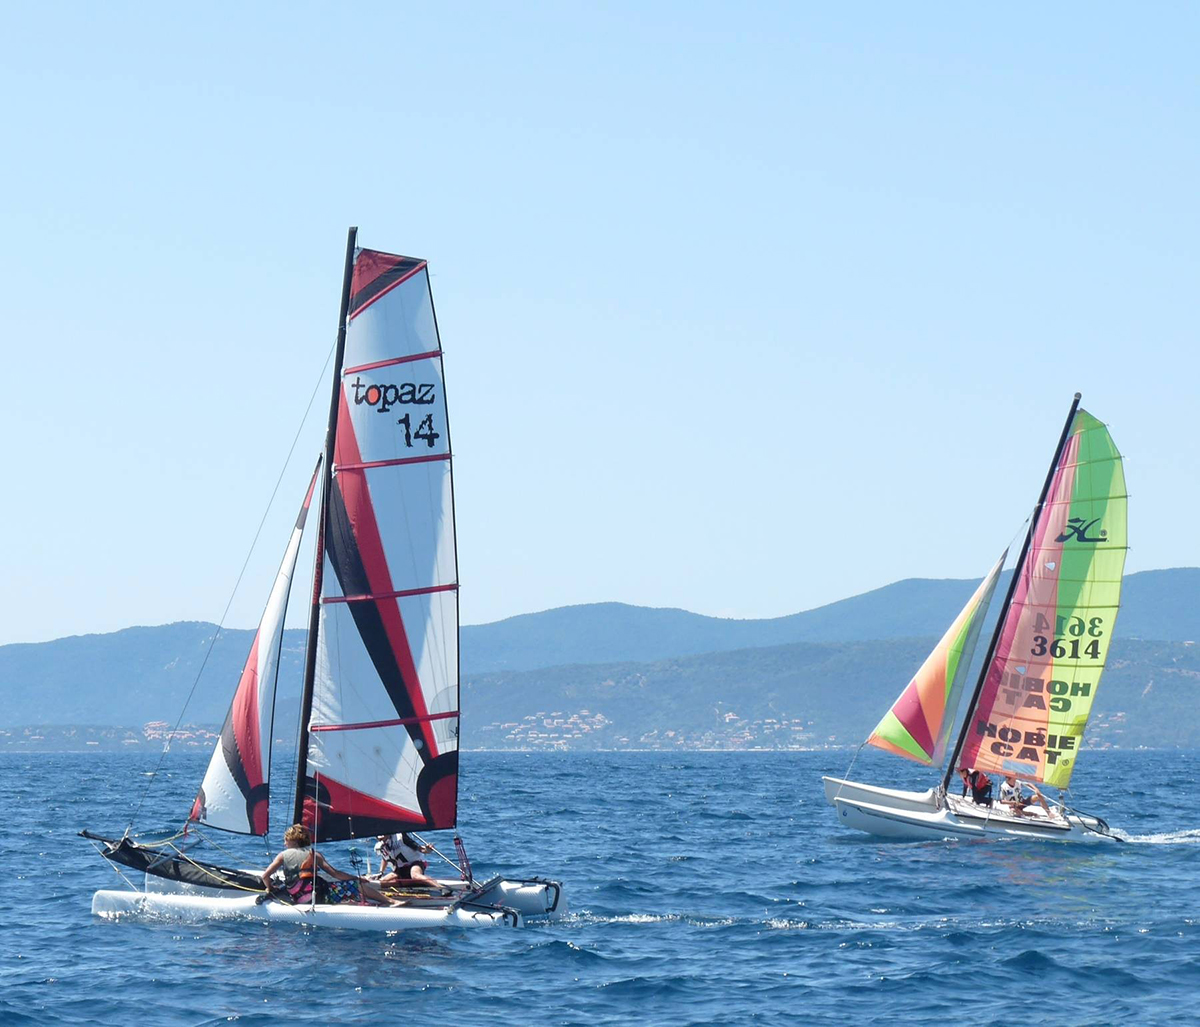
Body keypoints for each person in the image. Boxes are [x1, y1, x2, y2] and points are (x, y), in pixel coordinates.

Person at [262, 824, 400, 906]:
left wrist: (270, 888)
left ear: (291, 840)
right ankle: (391, 902)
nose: (284, 843)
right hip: (317, 897)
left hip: (297, 897)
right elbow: (335, 874)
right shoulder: (314, 854)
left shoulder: (282, 855)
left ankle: (384, 901)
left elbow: (265, 876)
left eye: (285, 840)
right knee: (357, 887)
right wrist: (357, 879)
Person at [373, 831, 442, 890]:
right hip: (401, 870)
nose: (380, 837)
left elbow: (420, 849)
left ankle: (441, 888)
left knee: (415, 875)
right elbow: (385, 859)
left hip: (415, 863)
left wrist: (427, 850)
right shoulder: (380, 846)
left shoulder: (401, 837)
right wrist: (381, 872)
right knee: (382, 882)